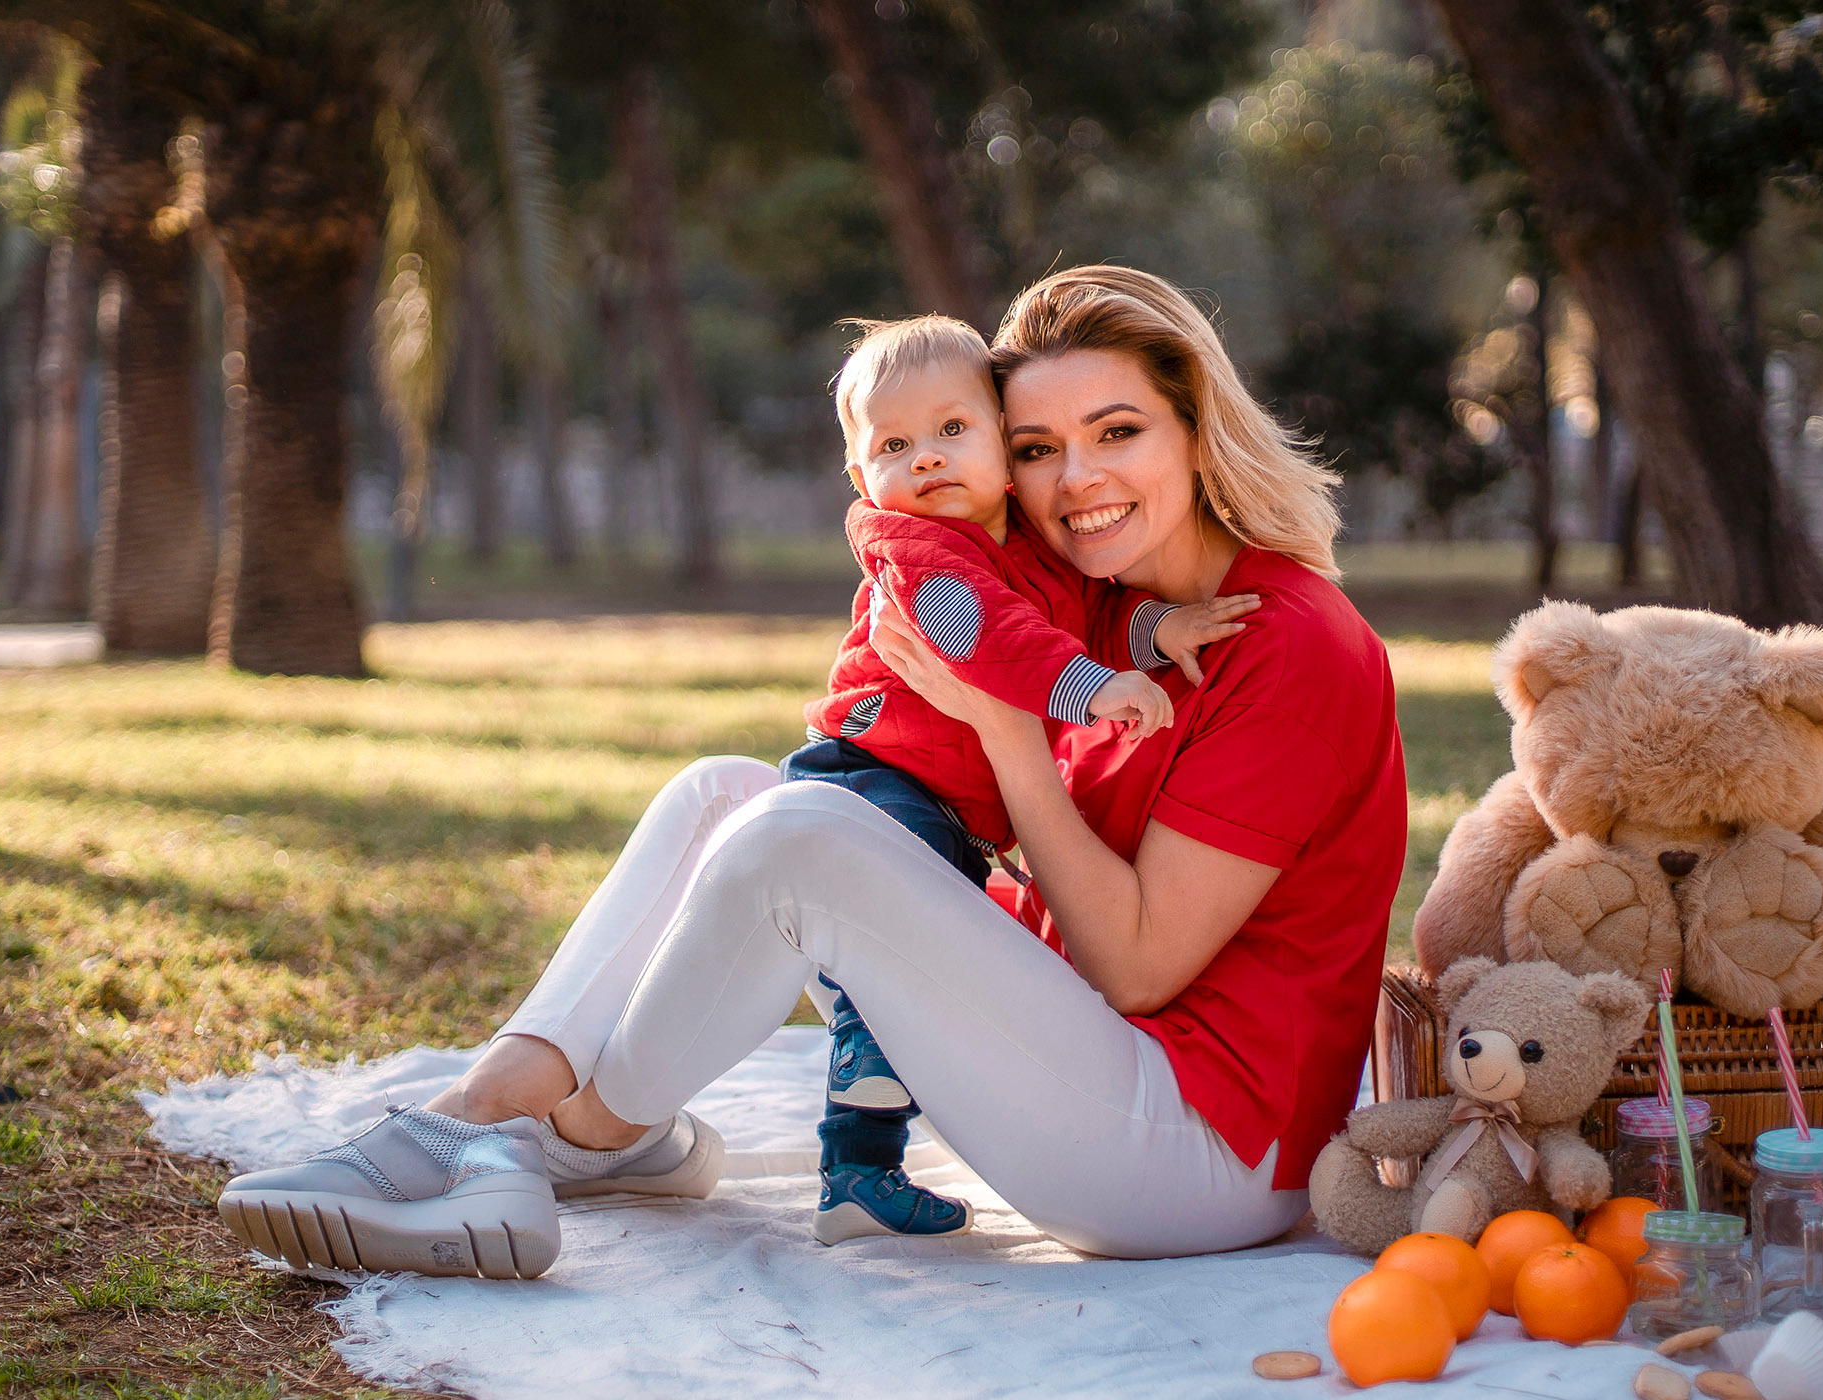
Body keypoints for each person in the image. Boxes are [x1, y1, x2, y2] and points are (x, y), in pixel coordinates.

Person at [215, 265, 1407, 1279]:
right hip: (1082, 1063)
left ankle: (544, 1130)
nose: (1074, 480)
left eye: (1119, 431)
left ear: (1198, 427)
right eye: (1035, 447)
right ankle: (528, 1113)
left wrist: (999, 728)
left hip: (1199, 1152)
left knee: (797, 840)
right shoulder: (1106, 611)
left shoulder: (1289, 645)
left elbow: (1140, 968)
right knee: (733, 792)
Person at [781, 313, 1253, 1244]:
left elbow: (1080, 619)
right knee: (905, 944)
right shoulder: (916, 551)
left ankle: (857, 1175)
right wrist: (1096, 690)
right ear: (860, 477)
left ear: (1005, 445)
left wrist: (1157, 636)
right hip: (873, 778)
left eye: (952, 430)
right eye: (893, 445)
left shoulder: (1038, 554)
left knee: (916, 950)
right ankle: (870, 1067)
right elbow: (982, 642)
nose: (924, 460)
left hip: (951, 807)